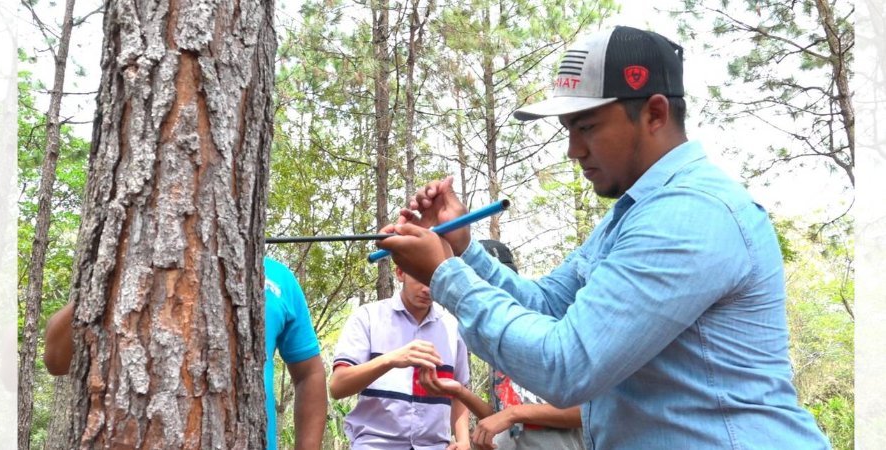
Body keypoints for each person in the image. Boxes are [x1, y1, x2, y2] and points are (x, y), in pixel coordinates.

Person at [376, 25, 831, 449]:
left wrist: (445, 275)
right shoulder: (634, 215)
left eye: (587, 126)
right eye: (568, 129)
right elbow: (548, 306)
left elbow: (566, 365)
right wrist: (462, 249)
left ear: (654, 113)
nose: (573, 150)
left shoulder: (691, 214)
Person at [42, 257, 327, 450]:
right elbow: (57, 361)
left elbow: (310, 373)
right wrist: (108, 274)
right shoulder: (126, 261)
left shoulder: (276, 278)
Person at [419, 240, 585, 450]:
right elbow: (502, 418)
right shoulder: (496, 343)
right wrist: (460, 392)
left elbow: (586, 412)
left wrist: (513, 414)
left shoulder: (553, 327)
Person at [329, 265, 471, 450]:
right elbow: (338, 386)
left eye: (434, 281)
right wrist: (391, 359)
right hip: (375, 444)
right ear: (400, 273)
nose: (427, 289)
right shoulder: (369, 317)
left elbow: (459, 392)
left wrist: (463, 440)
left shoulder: (452, 327)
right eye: (420, 278)